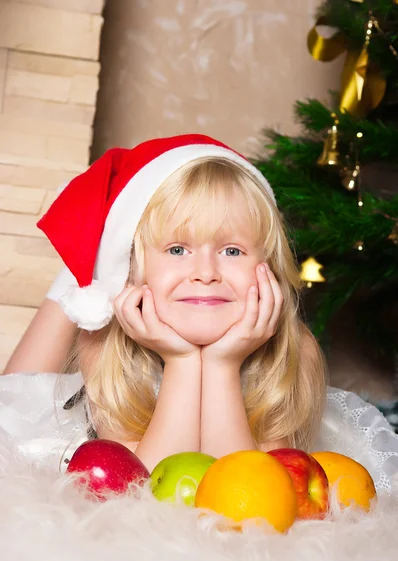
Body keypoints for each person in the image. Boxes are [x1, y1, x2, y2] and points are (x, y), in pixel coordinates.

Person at [2, 134, 398, 489]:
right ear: (134, 272)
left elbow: (247, 489)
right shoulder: (105, 344)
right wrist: (183, 361)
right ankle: (81, 275)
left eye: (232, 251)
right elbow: (148, 489)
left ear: (269, 269)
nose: (206, 273)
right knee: (14, 397)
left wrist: (224, 364)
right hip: (97, 366)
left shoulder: (296, 348)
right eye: (177, 249)